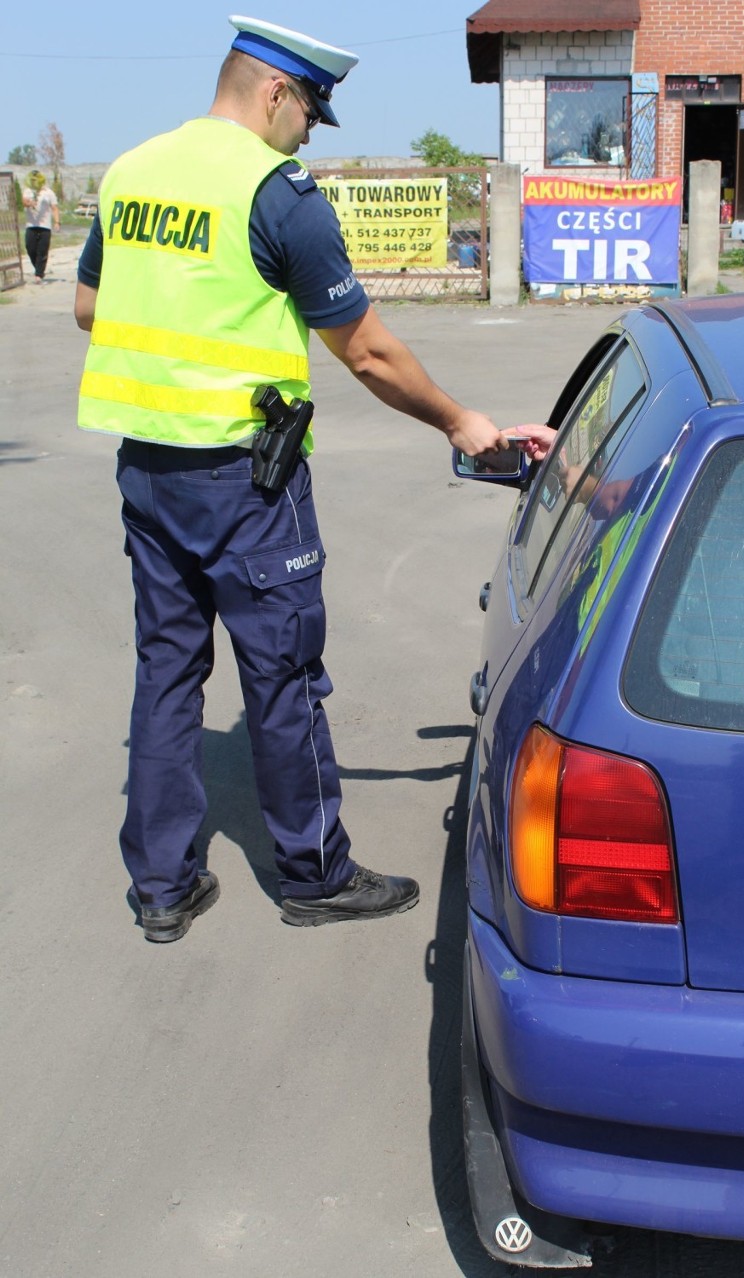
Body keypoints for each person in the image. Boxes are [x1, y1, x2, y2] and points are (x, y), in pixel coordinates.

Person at [74, 15, 524, 943]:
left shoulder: (132, 172)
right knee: (281, 677)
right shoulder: (276, 194)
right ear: (275, 93)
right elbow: (364, 349)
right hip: (247, 481)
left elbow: (90, 306)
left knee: (166, 675)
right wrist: (460, 421)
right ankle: (313, 876)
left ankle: (161, 888)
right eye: (311, 113)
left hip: (149, 473)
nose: (311, 133)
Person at [22, 169, 60, 283]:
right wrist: (30, 203)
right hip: (31, 225)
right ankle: (38, 269)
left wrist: (57, 222)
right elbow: (23, 201)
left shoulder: (49, 193)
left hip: (45, 226)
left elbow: (54, 208)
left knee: (42, 250)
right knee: (30, 248)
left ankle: (39, 274)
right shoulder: (28, 191)